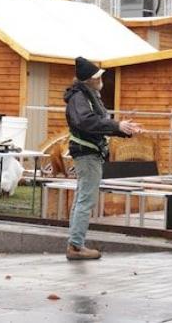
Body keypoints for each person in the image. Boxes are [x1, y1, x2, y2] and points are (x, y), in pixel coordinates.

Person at [63, 56, 141, 261]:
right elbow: (88, 123)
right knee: (86, 199)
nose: (101, 80)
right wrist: (116, 126)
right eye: (98, 76)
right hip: (87, 153)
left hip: (89, 152)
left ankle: (75, 242)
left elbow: (100, 123)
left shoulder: (88, 95)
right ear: (90, 79)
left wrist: (124, 130)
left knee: (82, 198)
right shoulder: (80, 98)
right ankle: (76, 246)